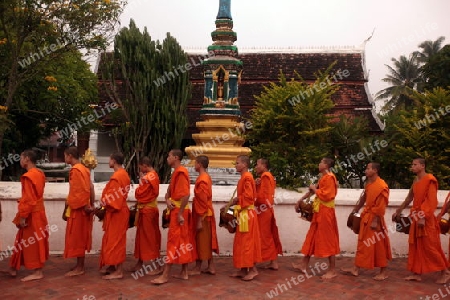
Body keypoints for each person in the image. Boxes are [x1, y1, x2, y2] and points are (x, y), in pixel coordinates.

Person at [392, 158, 448, 283]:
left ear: (422, 166)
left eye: (415, 164)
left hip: (425, 219)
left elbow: (432, 201)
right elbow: (409, 198)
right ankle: (416, 273)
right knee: (416, 246)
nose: (412, 166)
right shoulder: (415, 180)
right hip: (416, 217)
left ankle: (445, 272)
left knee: (431, 247)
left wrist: (423, 216)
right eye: (412, 164)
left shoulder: (430, 180)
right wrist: (398, 211)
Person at [341, 162, 392, 280]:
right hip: (366, 217)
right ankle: (355, 269)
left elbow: (381, 206)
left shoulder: (382, 185)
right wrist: (355, 210)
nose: (366, 171)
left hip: (375, 219)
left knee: (378, 245)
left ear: (375, 170)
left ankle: (383, 272)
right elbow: (364, 198)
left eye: (368, 168)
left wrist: (375, 220)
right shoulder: (369, 184)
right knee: (362, 243)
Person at [151, 149, 194, 284]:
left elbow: (186, 195)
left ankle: (165, 275)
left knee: (173, 241)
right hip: (177, 209)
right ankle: (184, 272)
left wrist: (180, 213)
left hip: (179, 212)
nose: (167, 158)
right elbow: (168, 194)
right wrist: (168, 201)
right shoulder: (176, 172)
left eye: (169, 156)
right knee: (182, 241)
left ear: (176, 157)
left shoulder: (181, 172)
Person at [293, 157, 339, 280]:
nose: (319, 164)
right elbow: (312, 191)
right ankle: (303, 265)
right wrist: (300, 200)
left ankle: (332, 270)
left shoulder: (330, 177)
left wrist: (315, 190)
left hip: (326, 212)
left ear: (327, 165)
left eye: (321, 162)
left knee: (328, 239)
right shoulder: (323, 177)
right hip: (319, 211)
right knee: (312, 236)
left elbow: (328, 196)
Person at [8, 149, 49, 281]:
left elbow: (30, 199)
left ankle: (38, 272)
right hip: (38, 211)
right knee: (22, 238)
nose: (20, 160)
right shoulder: (39, 173)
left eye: (21, 157)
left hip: (32, 213)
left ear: (27, 159)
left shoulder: (29, 176)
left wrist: (24, 216)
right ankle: (14, 266)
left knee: (34, 242)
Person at [63, 147, 95, 277]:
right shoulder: (84, 169)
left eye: (65, 156)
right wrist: (91, 204)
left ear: (70, 156)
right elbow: (90, 188)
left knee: (78, 238)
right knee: (80, 237)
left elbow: (80, 192)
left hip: (79, 209)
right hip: (84, 207)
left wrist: (72, 205)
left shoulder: (76, 170)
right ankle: (79, 264)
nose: (65, 159)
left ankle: (80, 267)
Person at [230, 155, 262, 281]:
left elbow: (249, 198)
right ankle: (243, 269)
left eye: (237, 163)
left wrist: (238, 200)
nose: (236, 165)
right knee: (241, 243)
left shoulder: (247, 177)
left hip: (247, 215)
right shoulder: (246, 177)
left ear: (244, 164)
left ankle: (253, 270)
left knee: (248, 243)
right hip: (243, 214)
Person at [99, 152, 131, 280]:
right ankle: (112, 266)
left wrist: (103, 203)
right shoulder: (124, 174)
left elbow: (113, 199)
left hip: (117, 212)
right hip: (119, 211)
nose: (108, 162)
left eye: (110, 159)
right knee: (112, 239)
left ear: (114, 161)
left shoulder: (117, 177)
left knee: (116, 241)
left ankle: (119, 271)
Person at [130, 156, 162, 275]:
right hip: (146, 208)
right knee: (141, 238)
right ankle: (140, 263)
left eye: (140, 167)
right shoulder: (152, 176)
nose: (140, 169)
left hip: (148, 210)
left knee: (149, 238)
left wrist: (141, 182)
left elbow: (140, 194)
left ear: (144, 165)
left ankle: (158, 266)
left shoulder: (149, 177)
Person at [188, 155, 219, 276]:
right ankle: (210, 266)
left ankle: (198, 266)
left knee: (201, 241)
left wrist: (200, 219)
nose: (193, 166)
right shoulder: (206, 177)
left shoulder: (202, 179)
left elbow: (202, 200)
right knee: (206, 240)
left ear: (199, 164)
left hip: (203, 215)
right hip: (206, 213)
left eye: (195, 163)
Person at [254, 158, 282, 270]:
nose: (256, 167)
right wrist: (256, 185)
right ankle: (273, 261)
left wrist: (253, 198)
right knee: (267, 234)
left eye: (257, 164)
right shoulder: (266, 176)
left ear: (264, 165)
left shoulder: (265, 176)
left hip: (263, 210)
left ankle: (254, 261)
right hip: (265, 210)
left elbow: (263, 197)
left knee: (262, 235)